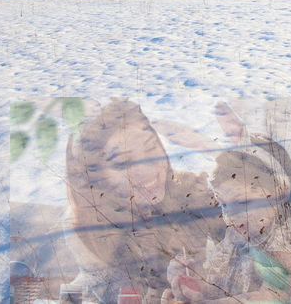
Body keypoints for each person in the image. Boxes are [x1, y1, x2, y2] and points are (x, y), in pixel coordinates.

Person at [65, 99, 223, 303]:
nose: (148, 169)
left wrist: (210, 148)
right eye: (123, 162)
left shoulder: (191, 191)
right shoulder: (88, 229)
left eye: (150, 149)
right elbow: (121, 295)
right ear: (95, 179)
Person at [163, 136, 291, 303]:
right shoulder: (235, 240)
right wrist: (193, 286)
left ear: (280, 194)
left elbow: (270, 298)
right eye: (223, 204)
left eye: (242, 202)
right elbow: (221, 289)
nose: (231, 216)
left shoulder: (286, 243)